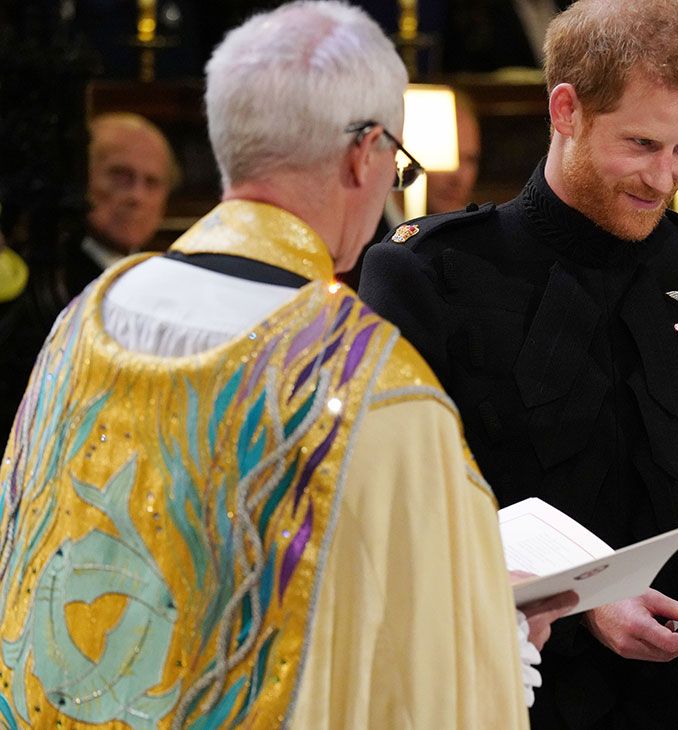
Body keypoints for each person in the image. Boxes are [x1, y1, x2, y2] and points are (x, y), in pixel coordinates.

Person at [0, 3, 572, 728]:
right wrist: (501, 627)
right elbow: (429, 680)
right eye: (397, 163)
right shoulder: (369, 383)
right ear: (364, 153)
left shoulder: (83, 321)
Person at [359, 1, 678, 727]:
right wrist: (580, 603)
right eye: (641, 144)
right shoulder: (431, 275)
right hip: (499, 688)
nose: (664, 177)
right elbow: (401, 514)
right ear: (566, 110)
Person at [68, 112, 178, 297]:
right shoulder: (53, 281)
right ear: (81, 177)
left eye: (152, 182)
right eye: (121, 176)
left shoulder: (171, 282)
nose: (137, 196)